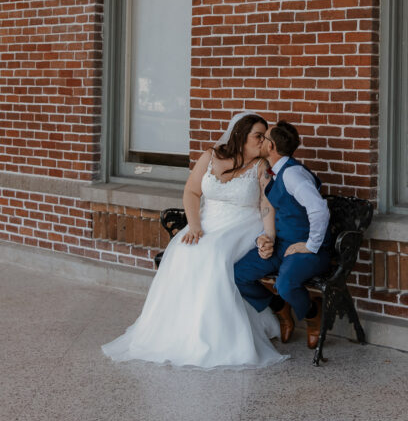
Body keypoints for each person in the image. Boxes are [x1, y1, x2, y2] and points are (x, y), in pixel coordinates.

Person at [101, 112, 288, 369]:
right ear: (240, 136)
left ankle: (216, 335)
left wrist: (268, 235)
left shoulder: (260, 167)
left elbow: (266, 204)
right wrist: (195, 226)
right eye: (258, 136)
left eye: (265, 137)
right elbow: (191, 191)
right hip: (208, 220)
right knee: (182, 249)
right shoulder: (210, 156)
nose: (263, 142)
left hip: (243, 223)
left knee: (212, 254)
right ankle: (180, 330)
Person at [234, 120, 331, 349]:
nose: (260, 141)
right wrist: (264, 237)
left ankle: (312, 313)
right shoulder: (275, 172)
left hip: (309, 250)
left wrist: (310, 245)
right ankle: (279, 307)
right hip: (282, 244)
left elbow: (319, 209)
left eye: (264, 138)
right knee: (239, 274)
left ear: (271, 147)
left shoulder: (292, 175)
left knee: (286, 283)